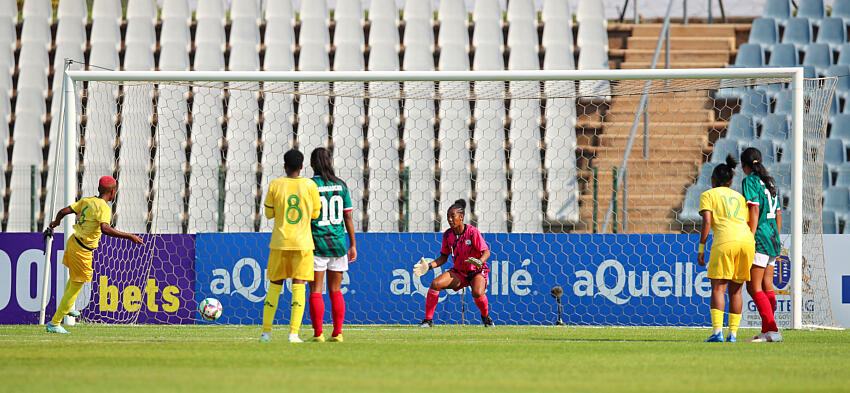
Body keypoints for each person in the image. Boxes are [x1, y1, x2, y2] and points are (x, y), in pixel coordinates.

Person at [44, 176, 144, 333]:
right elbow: (105, 229)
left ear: (98, 189)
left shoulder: (87, 201)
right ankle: (54, 323)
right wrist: (129, 236)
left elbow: (63, 211)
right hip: (82, 250)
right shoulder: (104, 208)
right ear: (113, 192)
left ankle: (68, 307)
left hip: (73, 242)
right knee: (76, 285)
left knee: (75, 279)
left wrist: (56, 222)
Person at [259, 149, 322, 343]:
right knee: (299, 286)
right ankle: (293, 334)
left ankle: (266, 334)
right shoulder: (310, 185)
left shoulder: (275, 184)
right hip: (302, 244)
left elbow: (269, 214)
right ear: (302, 166)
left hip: (280, 242)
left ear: (285, 166)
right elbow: (315, 214)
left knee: (274, 286)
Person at [697, 156, 755, 343]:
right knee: (736, 291)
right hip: (746, 241)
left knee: (718, 288)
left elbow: (707, 222)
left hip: (725, 241)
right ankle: (733, 335)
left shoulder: (708, 195)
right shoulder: (740, 197)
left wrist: (701, 248)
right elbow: (748, 220)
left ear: (712, 180)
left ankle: (717, 333)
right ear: (731, 181)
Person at [413, 199, 494, 328]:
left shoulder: (472, 232)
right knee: (435, 284)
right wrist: (428, 266)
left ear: (461, 217)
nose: (449, 220)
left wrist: (480, 261)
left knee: (477, 293)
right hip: (459, 272)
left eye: (452, 216)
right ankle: (428, 321)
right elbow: (443, 258)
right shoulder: (448, 235)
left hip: (476, 271)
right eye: (448, 217)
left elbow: (486, 252)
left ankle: (486, 317)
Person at [307, 148, 357, 343]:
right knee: (336, 290)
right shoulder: (341, 185)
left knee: (316, 290)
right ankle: (337, 333)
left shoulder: (310, 186)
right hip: (338, 244)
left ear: (312, 164)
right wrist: (353, 244)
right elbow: (348, 217)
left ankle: (318, 334)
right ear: (330, 162)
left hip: (317, 244)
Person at [740, 147, 783, 342]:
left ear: (744, 166)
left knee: (753, 286)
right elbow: (779, 213)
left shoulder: (749, 181)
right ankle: (768, 332)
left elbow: (755, 210)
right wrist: (777, 236)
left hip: (760, 237)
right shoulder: (770, 181)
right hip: (773, 237)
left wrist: (750, 236)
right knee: (767, 285)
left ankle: (772, 329)